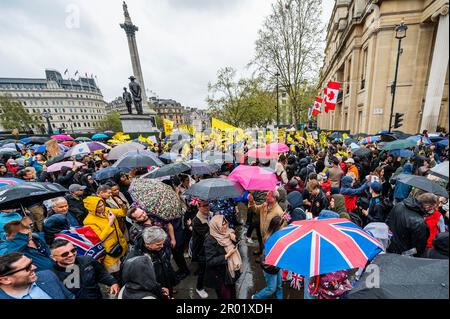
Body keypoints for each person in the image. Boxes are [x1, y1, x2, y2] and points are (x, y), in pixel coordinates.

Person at [50, 240, 119, 299]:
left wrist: (113, 282)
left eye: (73, 250)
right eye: (64, 254)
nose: (71, 254)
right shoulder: (51, 276)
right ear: (53, 258)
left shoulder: (87, 260)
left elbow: (101, 274)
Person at [126, 226, 178, 298]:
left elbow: (166, 263)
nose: (162, 246)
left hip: (165, 282)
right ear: (147, 244)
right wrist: (159, 289)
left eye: (162, 243)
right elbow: (141, 281)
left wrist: (172, 280)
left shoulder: (159, 245)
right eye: (158, 244)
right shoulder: (136, 259)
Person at [83, 196, 128, 275]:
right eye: (99, 207)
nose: (102, 207)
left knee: (128, 269)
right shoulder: (88, 221)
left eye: (102, 204)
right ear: (92, 208)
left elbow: (123, 213)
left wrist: (123, 205)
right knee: (118, 274)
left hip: (121, 245)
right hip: (110, 252)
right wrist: (110, 222)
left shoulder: (107, 210)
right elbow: (99, 238)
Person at [0, 252, 74, 299]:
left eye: (31, 262)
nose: (34, 267)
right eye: (27, 267)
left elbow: (70, 296)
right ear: (5, 280)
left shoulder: (47, 275)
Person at [204, 215, 242, 299]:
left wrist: (234, 239)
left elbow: (235, 246)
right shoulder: (210, 240)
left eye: (226, 223)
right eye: (222, 224)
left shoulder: (228, 233)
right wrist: (227, 256)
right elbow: (210, 261)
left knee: (233, 295)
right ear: (216, 226)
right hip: (220, 276)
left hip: (230, 271)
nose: (226, 226)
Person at [386, 193, 434, 257]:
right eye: (432, 208)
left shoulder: (399, 205)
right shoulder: (419, 223)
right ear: (428, 206)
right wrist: (405, 255)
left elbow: (387, 221)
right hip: (402, 255)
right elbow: (418, 249)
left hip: (389, 246)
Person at [252, 215, 284, 299]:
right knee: (271, 289)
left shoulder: (277, 235)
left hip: (277, 265)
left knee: (279, 285)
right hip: (270, 267)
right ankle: (256, 297)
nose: (283, 227)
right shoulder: (270, 239)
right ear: (277, 227)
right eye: (281, 225)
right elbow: (270, 256)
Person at [191, 200, 212, 299]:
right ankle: (199, 288)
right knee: (202, 270)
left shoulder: (210, 215)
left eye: (208, 205)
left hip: (209, 247)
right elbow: (207, 235)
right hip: (201, 250)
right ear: (198, 207)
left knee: (208, 267)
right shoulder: (197, 220)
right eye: (204, 206)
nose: (207, 207)